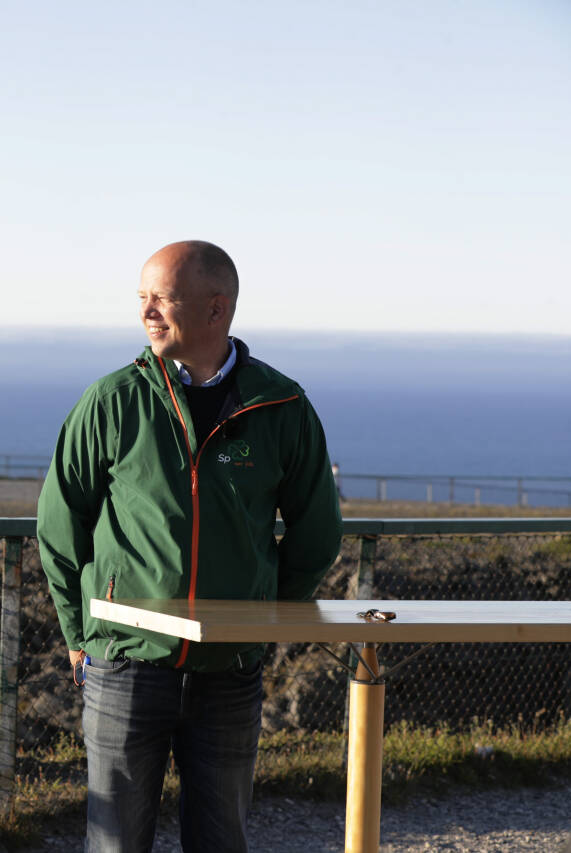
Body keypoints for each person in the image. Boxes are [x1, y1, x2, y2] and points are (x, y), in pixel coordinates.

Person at [37, 240, 343, 853]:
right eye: (142, 298)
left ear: (216, 308)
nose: (147, 312)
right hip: (124, 662)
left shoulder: (281, 405)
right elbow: (60, 523)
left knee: (221, 841)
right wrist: (78, 635)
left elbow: (316, 533)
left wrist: (257, 619)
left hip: (229, 671)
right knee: (115, 843)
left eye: (163, 298)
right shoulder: (112, 401)